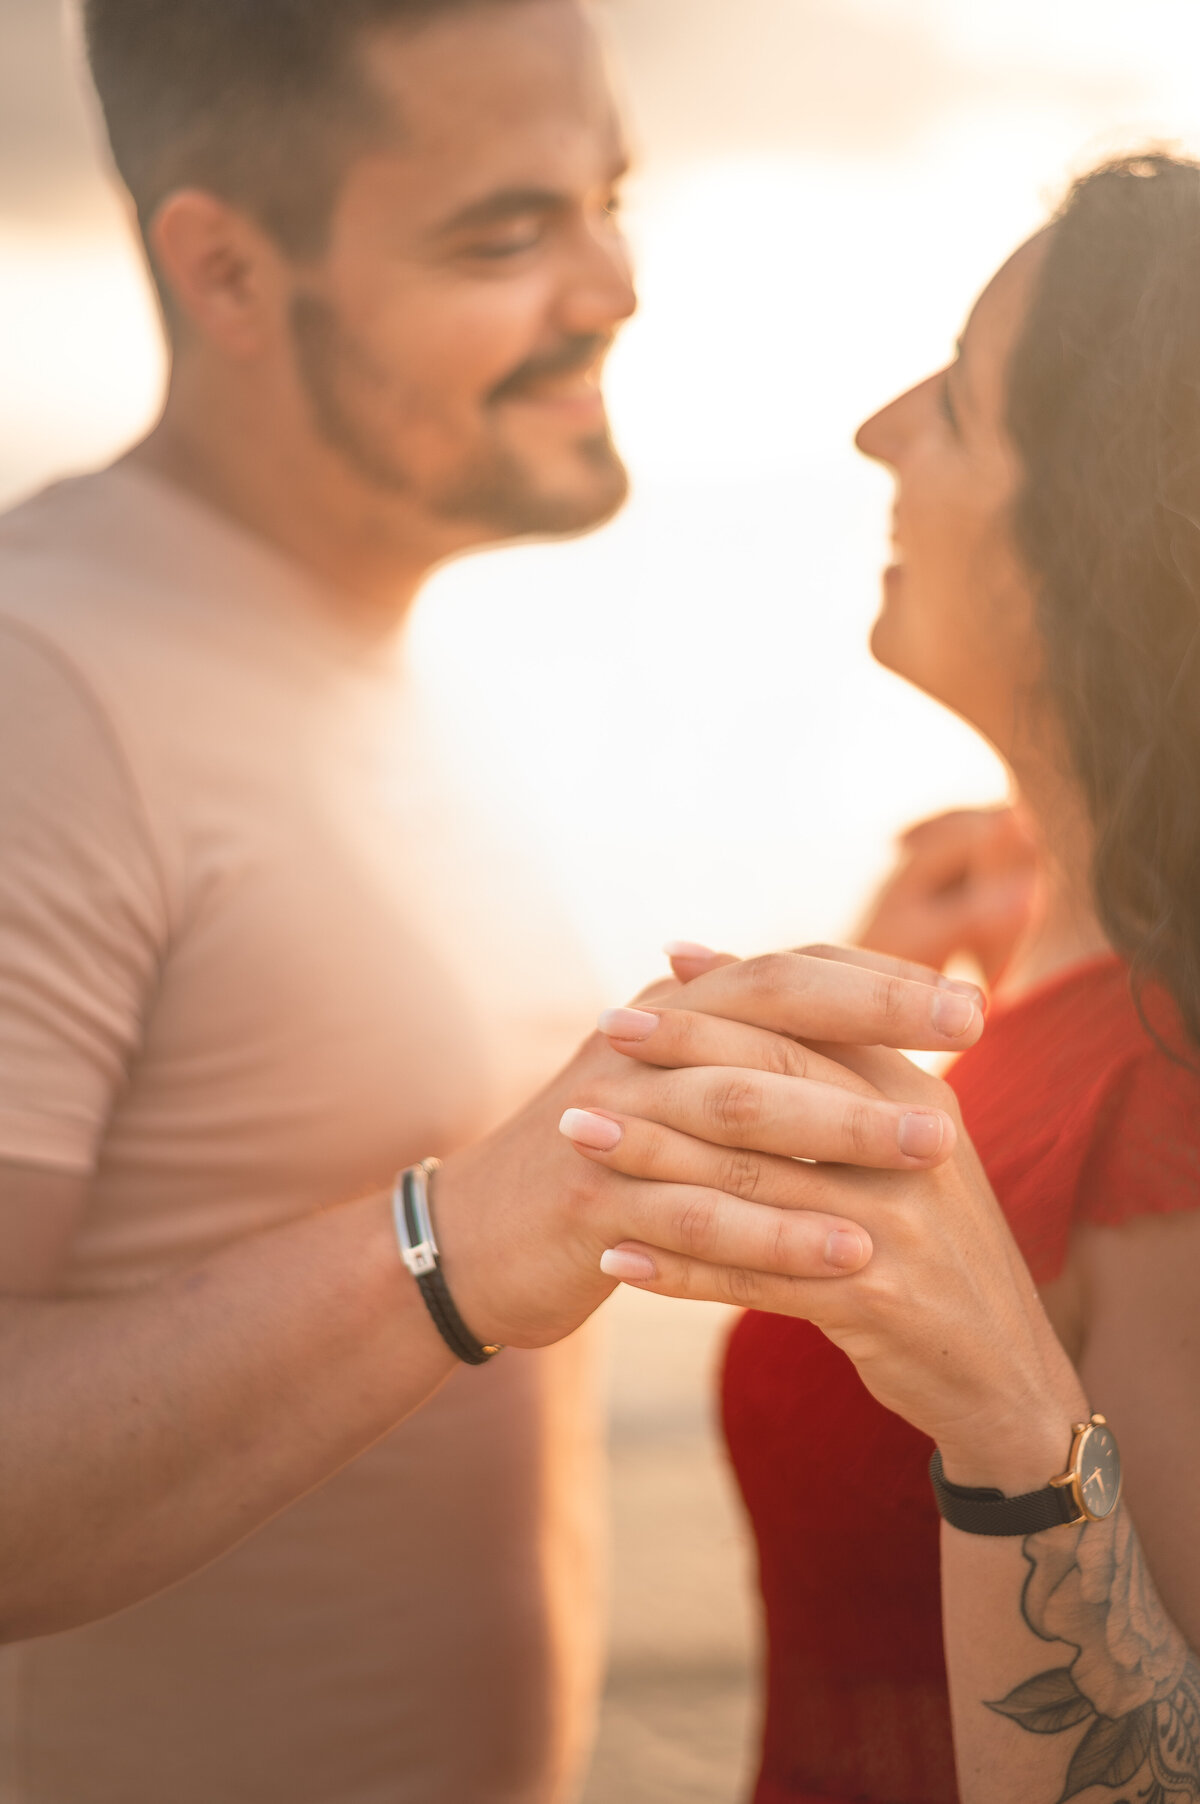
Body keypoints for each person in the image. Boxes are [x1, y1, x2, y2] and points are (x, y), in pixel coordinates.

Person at [0, 3, 984, 1800]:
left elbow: (401, 1136)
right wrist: (453, 1248)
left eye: (608, 195)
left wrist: (812, 1008)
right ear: (226, 266)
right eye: (505, 233)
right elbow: (467, 1217)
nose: (612, 282)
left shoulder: (363, 643)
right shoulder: (41, 682)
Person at [559, 153, 1200, 1804]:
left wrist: (1011, 1422)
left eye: (966, 405)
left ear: (1116, 530)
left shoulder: (1166, 1105)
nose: (878, 430)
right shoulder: (1061, 992)